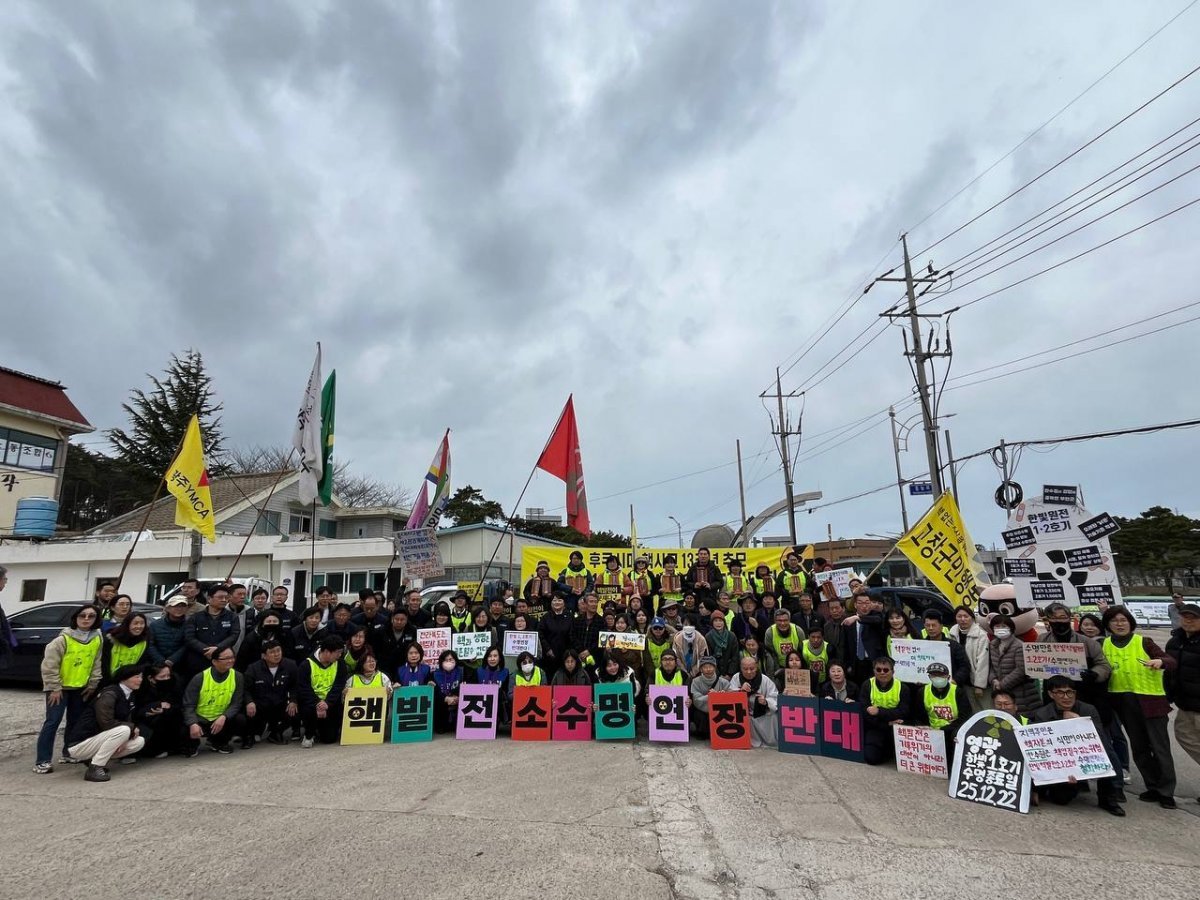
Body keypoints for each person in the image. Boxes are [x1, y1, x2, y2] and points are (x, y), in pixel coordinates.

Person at [1102, 605, 1178, 809]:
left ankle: (1166, 791)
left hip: (1151, 702)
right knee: (1139, 747)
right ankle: (1152, 786)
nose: (1119, 624)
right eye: (1114, 621)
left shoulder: (1144, 641)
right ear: (1108, 625)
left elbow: (1171, 661)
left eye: (1123, 620)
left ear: (1130, 622)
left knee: (1160, 748)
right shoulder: (1105, 644)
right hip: (1123, 703)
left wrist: (1159, 662)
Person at [1030, 675, 1126, 817]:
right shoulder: (1042, 714)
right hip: (1062, 761)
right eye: (1060, 693)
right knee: (1061, 799)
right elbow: (1041, 751)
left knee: (1108, 752)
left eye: (1070, 692)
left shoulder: (1089, 709)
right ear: (1051, 694)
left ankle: (1109, 798)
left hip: (1086, 755)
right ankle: (1053, 789)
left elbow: (1098, 739)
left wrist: (1079, 722)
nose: (1066, 697)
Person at [34, 604, 103, 774]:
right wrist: (54, 688)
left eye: (91, 616)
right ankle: (42, 760)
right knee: (52, 722)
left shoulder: (96, 638)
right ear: (75, 618)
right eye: (82, 616)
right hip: (59, 689)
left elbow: (96, 663)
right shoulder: (62, 640)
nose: (86, 619)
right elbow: (49, 665)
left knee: (75, 721)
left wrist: (93, 683)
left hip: (80, 688)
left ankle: (68, 753)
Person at [64, 664, 146, 782]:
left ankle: (92, 760)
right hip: (80, 744)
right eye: (136, 677)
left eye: (141, 677)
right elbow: (106, 722)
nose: (140, 680)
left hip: (99, 739)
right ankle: (95, 767)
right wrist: (130, 729)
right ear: (124, 678)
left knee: (138, 741)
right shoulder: (110, 693)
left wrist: (125, 736)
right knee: (125, 729)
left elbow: (127, 719)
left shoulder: (130, 695)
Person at [182, 647, 246, 756]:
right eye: (226, 658)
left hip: (220, 719)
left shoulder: (238, 676)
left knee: (240, 719)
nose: (230, 661)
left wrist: (224, 716)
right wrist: (193, 723)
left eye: (232, 657)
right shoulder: (199, 678)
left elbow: (236, 703)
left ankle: (219, 742)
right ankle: (192, 744)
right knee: (183, 726)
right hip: (200, 719)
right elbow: (188, 705)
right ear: (214, 661)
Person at [1166, 602, 1200, 795]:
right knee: (1184, 737)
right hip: (1185, 705)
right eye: (1185, 616)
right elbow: (1170, 672)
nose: (1188, 620)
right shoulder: (1174, 641)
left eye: (1193, 617)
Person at [244, 640, 301, 745]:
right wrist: (249, 702)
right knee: (246, 711)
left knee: (296, 708)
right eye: (272, 652)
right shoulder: (253, 669)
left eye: (278, 651)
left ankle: (276, 732)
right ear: (264, 656)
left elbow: (295, 685)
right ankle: (251, 734)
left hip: (280, 703)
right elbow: (246, 689)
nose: (277, 654)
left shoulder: (291, 665)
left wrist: (293, 700)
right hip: (260, 705)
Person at [182, 584, 240, 683]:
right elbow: (189, 637)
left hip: (222, 660)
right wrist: (206, 650)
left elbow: (234, 635)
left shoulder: (232, 617)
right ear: (209, 599)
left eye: (226, 597)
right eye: (220, 597)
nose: (224, 600)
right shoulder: (196, 617)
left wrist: (218, 649)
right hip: (198, 660)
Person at [919, 662, 973, 766]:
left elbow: (965, 717)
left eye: (940, 675)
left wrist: (943, 729)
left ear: (948, 677)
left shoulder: (958, 692)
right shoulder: (923, 691)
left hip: (952, 729)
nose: (937, 678)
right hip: (931, 729)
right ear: (929, 677)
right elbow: (920, 715)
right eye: (934, 675)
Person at [298, 636, 348, 747]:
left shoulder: (340, 664)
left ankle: (321, 728)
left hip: (330, 702)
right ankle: (309, 734)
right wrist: (318, 704)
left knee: (329, 739)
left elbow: (339, 685)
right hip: (312, 703)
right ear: (326, 651)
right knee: (306, 708)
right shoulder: (306, 665)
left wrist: (327, 703)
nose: (340, 655)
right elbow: (304, 689)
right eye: (338, 652)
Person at [859, 656, 909, 765]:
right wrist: (887, 722)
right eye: (878, 670)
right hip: (876, 727)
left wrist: (879, 712)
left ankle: (889, 750)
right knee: (871, 758)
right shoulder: (867, 685)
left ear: (893, 671)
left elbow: (903, 712)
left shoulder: (902, 687)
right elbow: (865, 713)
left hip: (896, 728)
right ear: (874, 671)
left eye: (886, 670)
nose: (882, 673)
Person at [988, 614, 1041, 715]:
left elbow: (1021, 670)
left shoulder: (1019, 645)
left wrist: (1002, 684)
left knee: (1022, 719)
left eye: (1003, 626)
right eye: (997, 626)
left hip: (1021, 693)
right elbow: (991, 666)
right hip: (1001, 692)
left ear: (1011, 628)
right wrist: (993, 680)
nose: (1000, 629)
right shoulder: (993, 644)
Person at [134, 662, 186, 758]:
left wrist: (166, 710)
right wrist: (157, 705)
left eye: (168, 675)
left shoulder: (174, 683)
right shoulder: (142, 689)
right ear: (151, 678)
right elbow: (137, 710)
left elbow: (180, 704)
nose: (166, 679)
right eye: (162, 677)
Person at [727, 655, 778, 748]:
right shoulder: (736, 678)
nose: (749, 672)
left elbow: (774, 697)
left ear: (757, 667)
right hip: (743, 713)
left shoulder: (765, 680)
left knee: (774, 717)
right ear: (741, 668)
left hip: (761, 712)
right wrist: (740, 691)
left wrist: (766, 701)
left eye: (752, 668)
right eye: (745, 669)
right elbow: (729, 696)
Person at [949, 605, 990, 706]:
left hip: (976, 681)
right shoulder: (952, 633)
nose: (963, 619)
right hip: (961, 680)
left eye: (966, 616)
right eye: (959, 616)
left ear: (972, 617)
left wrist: (979, 685)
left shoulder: (981, 635)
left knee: (985, 709)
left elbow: (983, 661)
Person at [920, 610, 971, 689]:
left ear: (941, 626)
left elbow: (964, 667)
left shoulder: (954, 646)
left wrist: (955, 680)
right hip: (927, 688)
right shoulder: (920, 646)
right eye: (927, 625)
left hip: (951, 687)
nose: (930, 628)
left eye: (934, 625)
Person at [842, 593, 885, 684]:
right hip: (856, 662)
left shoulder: (876, 616)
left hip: (872, 661)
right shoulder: (849, 621)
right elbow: (845, 645)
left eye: (867, 603)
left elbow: (877, 620)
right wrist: (847, 665)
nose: (864, 606)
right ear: (855, 605)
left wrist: (858, 618)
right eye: (860, 603)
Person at [101, 613, 150, 684]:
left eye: (142, 623)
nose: (139, 626)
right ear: (127, 624)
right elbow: (104, 663)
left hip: (130, 682)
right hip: (109, 680)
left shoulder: (144, 640)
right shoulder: (111, 640)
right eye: (135, 623)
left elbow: (142, 663)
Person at [689, 656, 729, 739]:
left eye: (710, 666)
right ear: (701, 669)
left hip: (719, 710)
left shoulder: (724, 682)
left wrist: (722, 696)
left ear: (714, 668)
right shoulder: (695, 681)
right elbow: (696, 699)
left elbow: (731, 698)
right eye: (705, 667)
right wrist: (710, 697)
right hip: (702, 710)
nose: (708, 669)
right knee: (698, 715)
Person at [432, 649, 464, 734]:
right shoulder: (435, 674)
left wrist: (457, 697)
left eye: (451, 660)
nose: (448, 662)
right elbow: (436, 691)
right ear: (441, 662)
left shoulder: (461, 672)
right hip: (443, 701)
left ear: (455, 661)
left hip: (457, 699)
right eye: (446, 660)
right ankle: (441, 726)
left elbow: (465, 686)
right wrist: (446, 698)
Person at [570, 593, 604, 669]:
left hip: (596, 659)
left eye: (596, 602)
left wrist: (589, 651)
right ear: (585, 603)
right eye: (591, 601)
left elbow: (601, 640)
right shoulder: (577, 620)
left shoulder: (602, 621)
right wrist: (581, 651)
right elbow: (573, 637)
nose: (594, 604)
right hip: (578, 657)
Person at [704, 609, 740, 678]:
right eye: (716, 621)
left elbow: (735, 656)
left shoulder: (731, 636)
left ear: (724, 622)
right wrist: (717, 674)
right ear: (712, 623)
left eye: (720, 621)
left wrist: (730, 674)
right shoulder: (708, 637)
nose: (718, 623)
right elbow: (709, 657)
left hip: (730, 671)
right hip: (715, 672)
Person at [801, 623, 833, 688]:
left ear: (823, 637)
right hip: (807, 680)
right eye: (813, 637)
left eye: (818, 637)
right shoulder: (801, 646)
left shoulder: (829, 648)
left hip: (824, 681)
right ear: (808, 637)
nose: (816, 640)